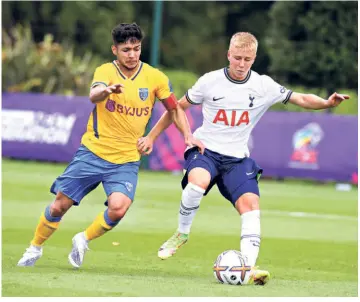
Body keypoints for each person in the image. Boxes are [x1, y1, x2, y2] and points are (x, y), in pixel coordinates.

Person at [137, 32, 349, 285]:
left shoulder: (263, 86)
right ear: (228, 55)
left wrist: (326, 103)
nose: (241, 64)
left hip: (237, 159)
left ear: (254, 58)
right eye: (236, 57)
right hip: (206, 150)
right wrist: (151, 137)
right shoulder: (210, 81)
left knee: (251, 206)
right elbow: (176, 108)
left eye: (247, 59)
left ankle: (247, 268)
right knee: (197, 183)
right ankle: (182, 233)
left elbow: (300, 98)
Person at [17, 23, 204, 268]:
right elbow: (94, 94)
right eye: (126, 49)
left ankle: (83, 239)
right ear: (114, 50)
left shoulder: (155, 77)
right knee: (59, 205)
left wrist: (183, 136)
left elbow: (174, 109)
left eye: (136, 49)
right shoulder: (105, 71)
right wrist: (105, 91)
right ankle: (35, 248)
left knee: (119, 207)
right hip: (93, 152)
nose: (132, 55)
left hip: (126, 159)